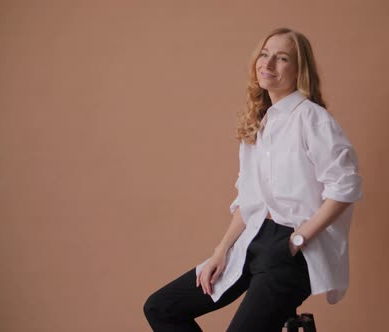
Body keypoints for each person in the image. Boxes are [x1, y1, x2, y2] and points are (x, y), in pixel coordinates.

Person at [143, 27, 363, 332]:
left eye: (282, 58)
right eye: (264, 54)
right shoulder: (259, 125)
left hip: (290, 250)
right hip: (254, 239)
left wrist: (295, 241)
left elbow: (345, 188)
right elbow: (249, 201)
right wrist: (220, 252)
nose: (268, 64)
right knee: (161, 307)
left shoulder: (313, 119)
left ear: (299, 70)